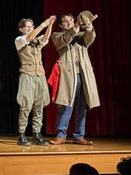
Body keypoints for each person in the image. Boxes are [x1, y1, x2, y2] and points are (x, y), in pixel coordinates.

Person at [50, 10, 100, 145]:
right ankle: (61, 135)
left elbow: (91, 36)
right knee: (66, 105)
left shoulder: (81, 36)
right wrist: (76, 26)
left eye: (71, 20)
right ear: (60, 25)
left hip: (83, 75)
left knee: (82, 106)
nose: (69, 23)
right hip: (68, 75)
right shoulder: (57, 35)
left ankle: (79, 135)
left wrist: (88, 24)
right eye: (66, 21)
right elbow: (65, 39)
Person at [15, 15, 54, 146]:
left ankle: (37, 134)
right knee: (26, 105)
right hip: (27, 75)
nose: (30, 29)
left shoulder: (36, 41)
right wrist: (43, 24)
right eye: (28, 27)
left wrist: (50, 25)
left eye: (32, 27)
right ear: (21, 29)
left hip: (39, 75)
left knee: (39, 105)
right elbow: (29, 37)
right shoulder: (20, 39)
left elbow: (45, 38)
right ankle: (22, 134)